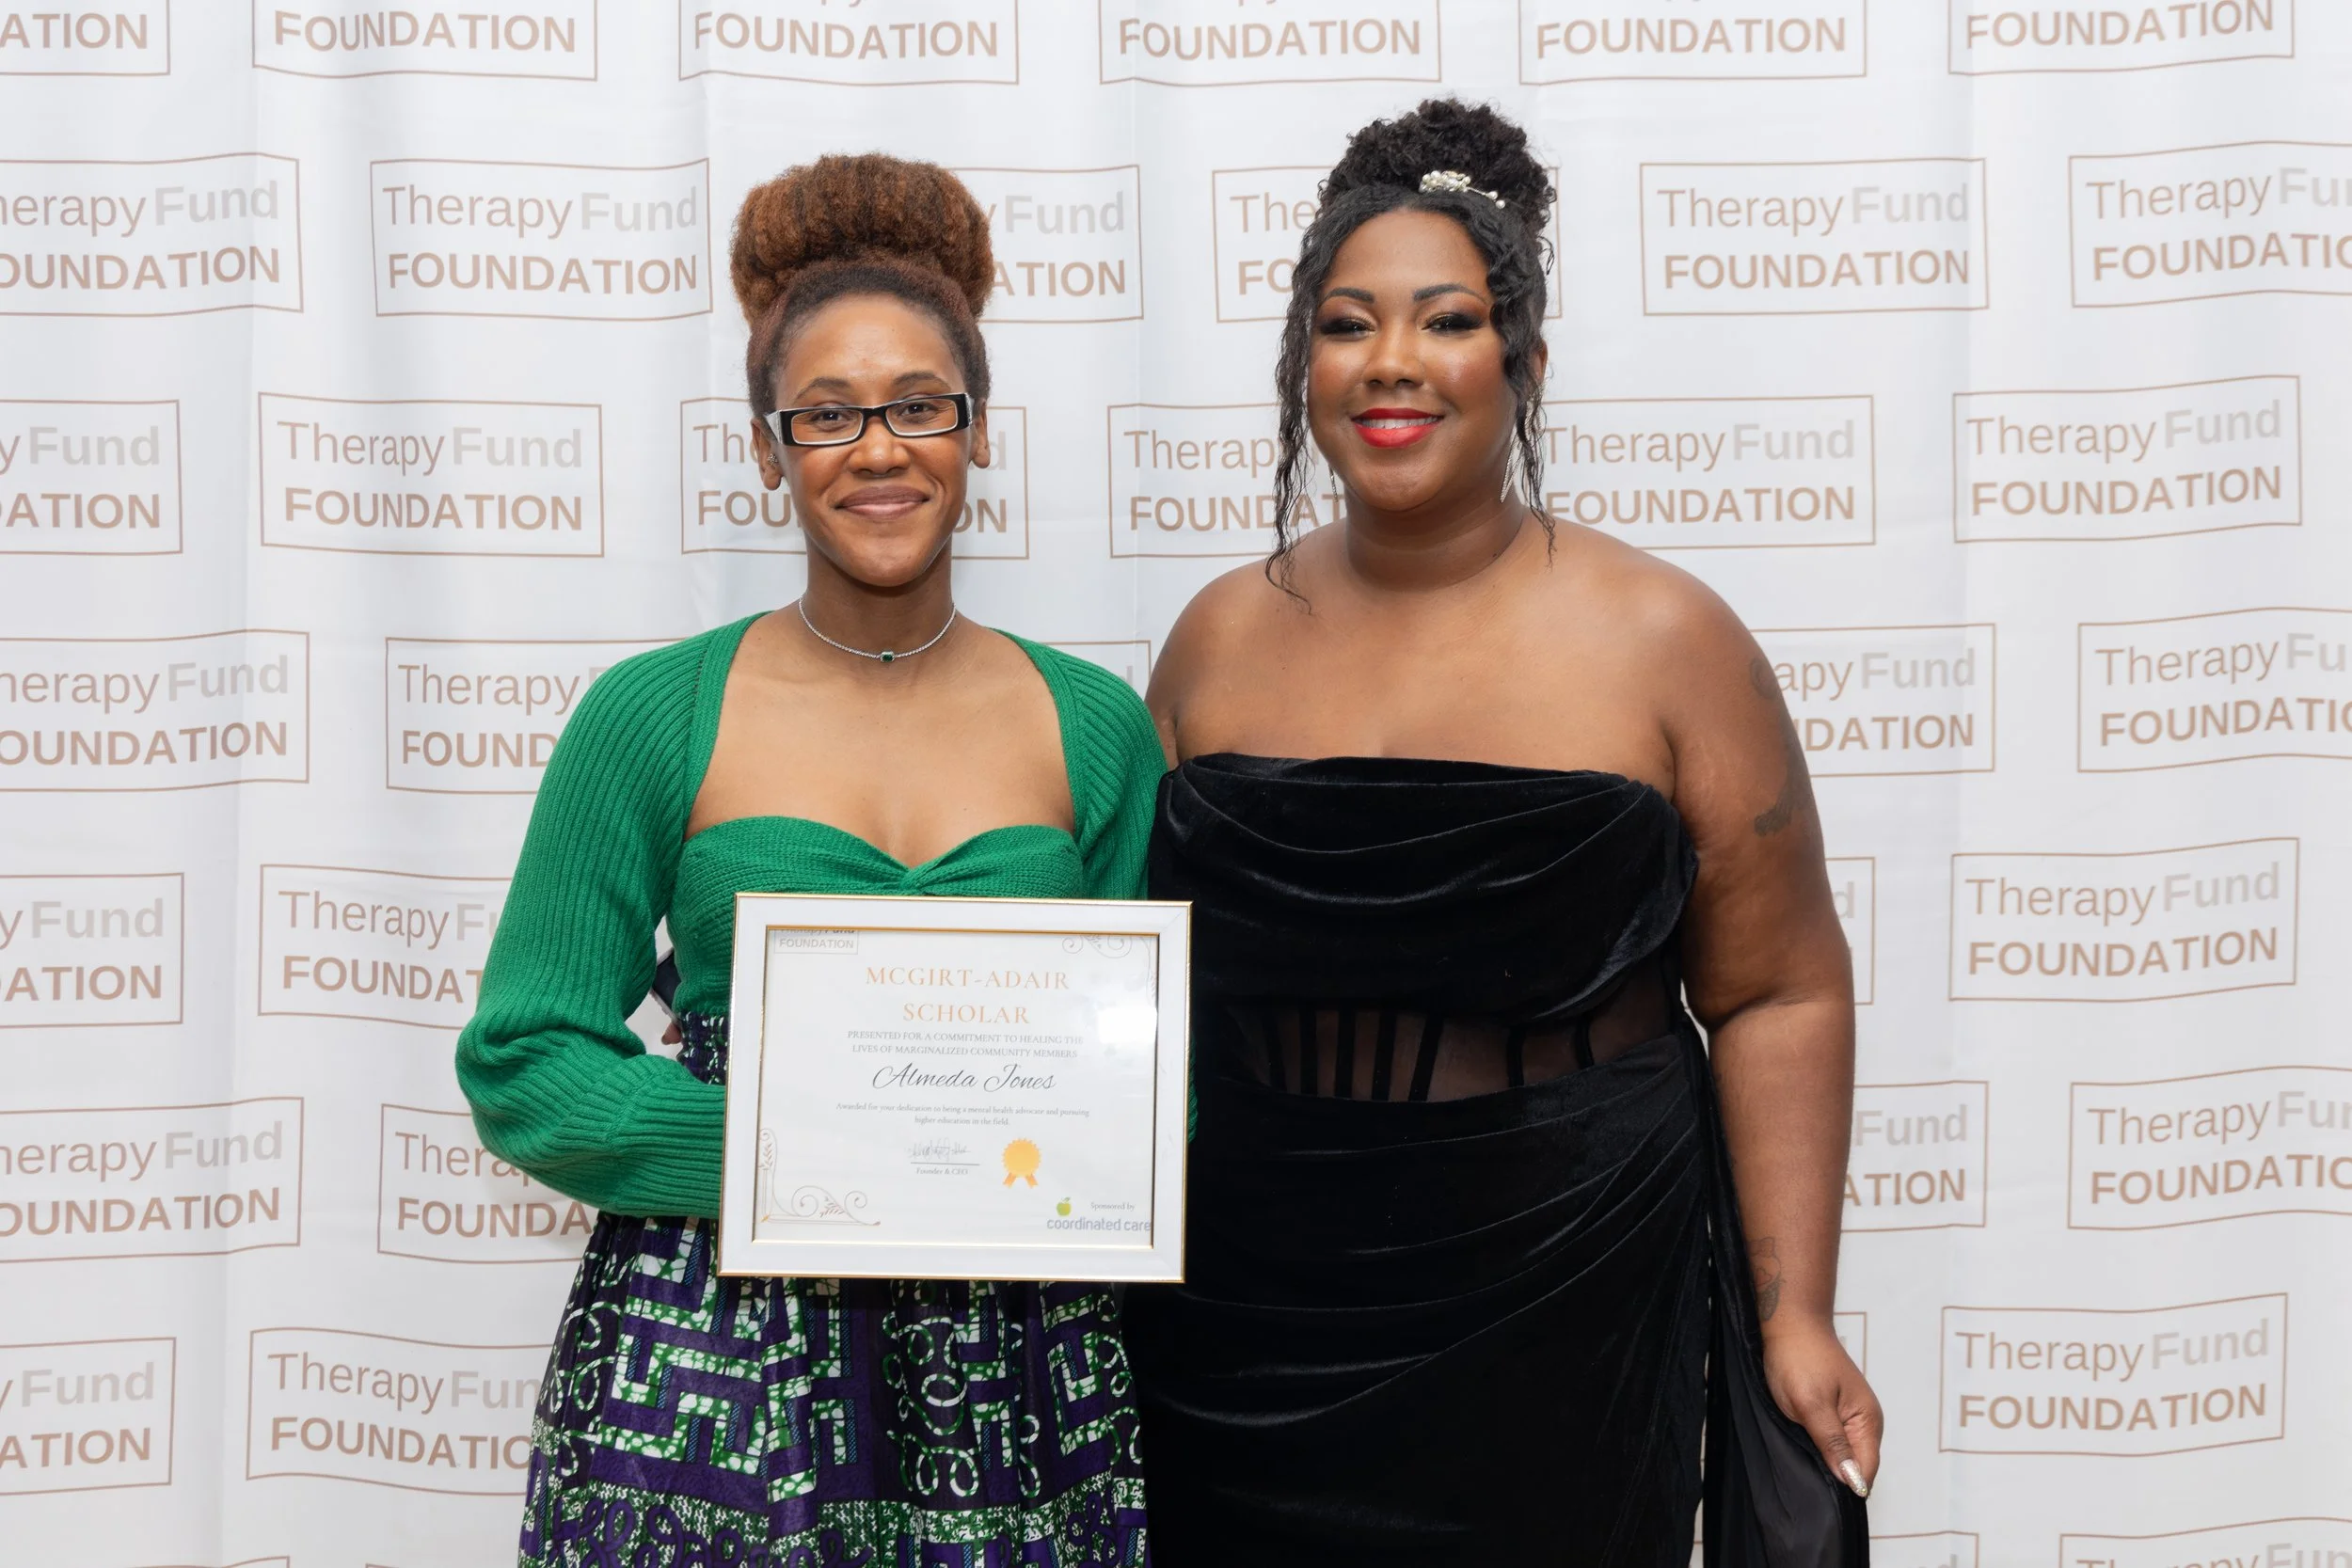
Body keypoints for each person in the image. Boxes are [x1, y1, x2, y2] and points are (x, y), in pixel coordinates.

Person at [1122, 100, 1882, 1565]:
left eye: (1444, 320)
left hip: (1567, 1284)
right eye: (1346, 326)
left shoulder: (1671, 638)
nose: (1391, 362)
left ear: (1523, 364)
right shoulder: (1214, 638)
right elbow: (1136, 982)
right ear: (1304, 368)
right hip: (1246, 1301)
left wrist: (1795, 1313)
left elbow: (1780, 987)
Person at [455, 153, 1163, 1567]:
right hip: (710, 1356)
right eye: (828, 413)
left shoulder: (1098, 727)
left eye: (918, 405)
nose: (879, 447)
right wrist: (800, 1155)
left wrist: (1096, 1158)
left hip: (1013, 1368)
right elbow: (525, 1057)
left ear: (976, 430)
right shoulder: (653, 714)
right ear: (769, 446)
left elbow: (1163, 1079)